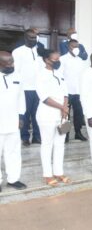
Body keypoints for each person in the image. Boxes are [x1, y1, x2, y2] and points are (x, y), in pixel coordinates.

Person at [36, 49, 71, 186]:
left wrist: (65, 107)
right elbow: (44, 98)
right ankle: (47, 175)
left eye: (58, 60)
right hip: (47, 115)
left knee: (60, 144)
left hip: (63, 116)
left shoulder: (59, 73)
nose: (57, 62)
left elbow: (65, 93)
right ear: (46, 59)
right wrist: (62, 107)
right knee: (47, 144)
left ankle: (58, 172)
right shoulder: (40, 75)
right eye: (54, 60)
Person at [0, 51, 27, 192]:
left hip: (13, 122)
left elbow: (21, 98)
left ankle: (13, 179)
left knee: (14, 152)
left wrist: (21, 117)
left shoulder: (17, 76)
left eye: (12, 61)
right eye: (8, 62)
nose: (12, 64)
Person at [12, 29, 43, 146]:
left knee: (37, 114)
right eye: (31, 37)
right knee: (24, 114)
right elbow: (15, 72)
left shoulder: (39, 51)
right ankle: (24, 137)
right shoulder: (18, 52)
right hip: (24, 89)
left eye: (35, 37)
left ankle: (36, 137)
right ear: (25, 38)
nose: (34, 39)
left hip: (38, 89)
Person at [60, 40, 88, 142]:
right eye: (73, 46)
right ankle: (65, 135)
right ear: (68, 47)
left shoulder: (80, 60)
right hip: (66, 92)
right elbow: (60, 76)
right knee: (65, 114)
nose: (76, 49)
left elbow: (83, 77)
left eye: (77, 47)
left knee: (79, 114)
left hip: (78, 92)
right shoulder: (62, 59)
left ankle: (78, 133)